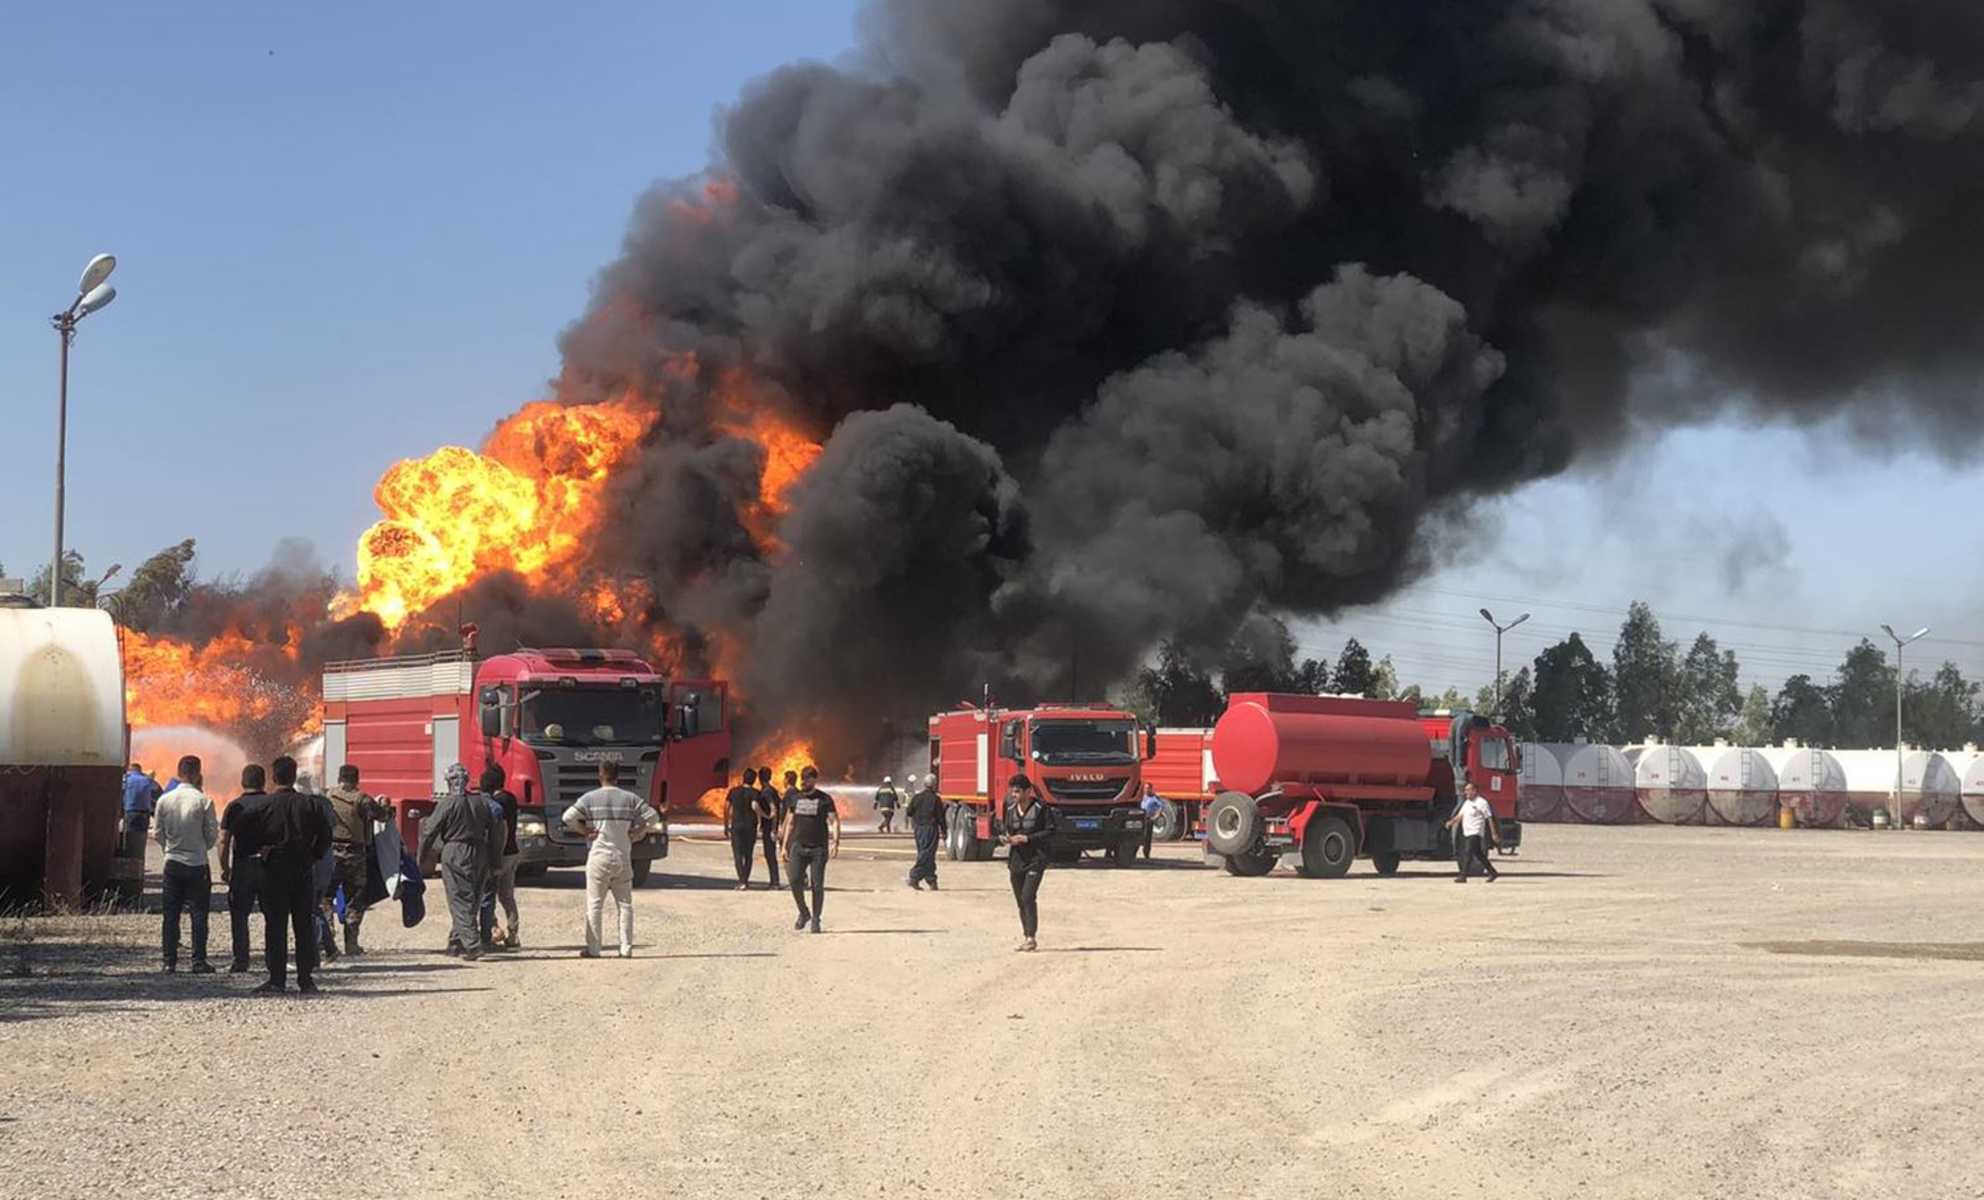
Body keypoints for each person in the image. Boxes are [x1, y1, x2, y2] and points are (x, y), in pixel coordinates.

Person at [233, 755, 333, 994]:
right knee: (303, 925)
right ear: (294, 775)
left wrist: (259, 851)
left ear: (274, 777)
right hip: (302, 870)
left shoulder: (262, 807)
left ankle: (277, 980)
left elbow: (242, 837)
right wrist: (313, 855)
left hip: (273, 872)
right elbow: (326, 837)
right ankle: (305, 980)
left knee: (275, 925)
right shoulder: (310, 805)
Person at [562, 760, 662, 959]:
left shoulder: (589, 798)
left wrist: (584, 830)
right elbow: (654, 817)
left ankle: (594, 948)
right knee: (624, 904)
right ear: (618, 776)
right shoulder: (630, 799)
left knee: (595, 904)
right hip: (622, 857)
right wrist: (639, 832)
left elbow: (568, 817)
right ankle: (625, 948)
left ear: (600, 775)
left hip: (598, 857)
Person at [419, 763, 504, 959]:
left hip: (455, 851)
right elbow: (496, 834)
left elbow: (428, 832)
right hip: (480, 851)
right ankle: (456, 943)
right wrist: (495, 861)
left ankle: (472, 945)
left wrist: (421, 858)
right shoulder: (482, 802)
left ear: (448, 782)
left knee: (458, 900)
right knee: (472, 898)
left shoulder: (447, 804)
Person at [152, 754, 218, 974]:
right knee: (199, 914)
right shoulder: (204, 800)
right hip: (197, 863)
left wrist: (169, 849)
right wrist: (199, 848)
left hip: (172, 863)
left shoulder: (164, 800)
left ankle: (168, 961)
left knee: (171, 914)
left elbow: (158, 833)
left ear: (179, 773)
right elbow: (211, 835)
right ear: (198, 773)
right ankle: (198, 961)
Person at [326, 764, 392, 956]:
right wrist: (387, 808)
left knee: (325, 897)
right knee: (355, 899)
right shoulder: (363, 799)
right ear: (357, 779)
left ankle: (327, 940)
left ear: (339, 777)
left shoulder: (327, 796)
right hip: (355, 855)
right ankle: (351, 944)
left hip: (331, 853)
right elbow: (383, 816)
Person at [218, 764, 269, 973]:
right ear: (264, 781)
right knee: (273, 915)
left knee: (239, 915)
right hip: (269, 866)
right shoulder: (272, 804)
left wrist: (224, 868)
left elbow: (224, 840)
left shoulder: (234, 807)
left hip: (243, 866)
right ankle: (272, 959)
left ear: (243, 781)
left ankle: (241, 960)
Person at [779, 766, 840, 933]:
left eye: (807, 778)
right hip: (798, 846)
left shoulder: (825, 799)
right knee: (794, 880)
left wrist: (835, 842)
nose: (803, 781)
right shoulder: (795, 798)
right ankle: (804, 912)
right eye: (802, 778)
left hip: (818, 848)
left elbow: (834, 821)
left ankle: (816, 919)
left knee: (817, 885)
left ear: (814, 780)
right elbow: (790, 822)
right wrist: (784, 846)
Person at [1003, 775, 1057, 952]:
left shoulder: (1041, 808)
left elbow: (1051, 831)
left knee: (1028, 896)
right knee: (1020, 900)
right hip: (1016, 860)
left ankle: (1031, 937)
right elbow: (1006, 829)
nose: (1014, 794)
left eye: (1018, 791)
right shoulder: (1010, 808)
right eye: (1012, 791)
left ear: (1028, 791)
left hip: (1036, 859)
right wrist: (1005, 838)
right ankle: (1026, 935)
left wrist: (1028, 838)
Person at [478, 765, 522, 950]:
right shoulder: (510, 798)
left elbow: (498, 831)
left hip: (499, 853)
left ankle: (494, 929)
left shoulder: (495, 803)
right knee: (507, 895)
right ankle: (513, 934)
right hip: (513, 852)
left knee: (486, 893)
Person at [1446, 782, 1501, 883]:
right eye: (1465, 790)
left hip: (1476, 831)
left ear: (1474, 791)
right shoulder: (1467, 803)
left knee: (1468, 852)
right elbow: (1460, 816)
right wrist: (1451, 822)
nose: (1466, 792)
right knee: (1479, 854)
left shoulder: (1482, 802)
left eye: (1468, 790)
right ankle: (1493, 872)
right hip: (1467, 832)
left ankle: (1463, 876)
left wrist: (1494, 833)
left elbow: (1489, 818)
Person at [905, 774, 943, 891]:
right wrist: (944, 830)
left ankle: (932, 880)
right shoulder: (935, 799)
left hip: (919, 829)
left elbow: (909, 812)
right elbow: (940, 817)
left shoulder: (917, 797)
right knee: (926, 854)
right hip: (930, 829)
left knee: (926, 854)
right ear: (934, 785)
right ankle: (914, 876)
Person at [726, 768, 761, 890]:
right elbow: (755, 806)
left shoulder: (733, 791)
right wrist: (762, 819)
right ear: (754, 780)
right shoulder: (756, 792)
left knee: (737, 855)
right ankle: (745, 880)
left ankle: (742, 881)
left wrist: (726, 825)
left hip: (736, 826)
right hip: (750, 826)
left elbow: (726, 808)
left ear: (743, 778)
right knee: (748, 855)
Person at [121, 763, 162, 856]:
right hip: (145, 814)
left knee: (129, 838)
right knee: (142, 838)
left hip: (130, 812)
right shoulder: (147, 780)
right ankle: (139, 859)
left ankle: (130, 859)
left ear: (130, 770)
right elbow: (156, 788)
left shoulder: (127, 779)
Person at [755, 765, 782, 890]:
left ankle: (775, 882)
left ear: (759, 778)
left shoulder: (766, 792)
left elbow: (774, 810)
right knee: (769, 855)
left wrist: (773, 829)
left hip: (769, 828)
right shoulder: (771, 790)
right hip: (769, 827)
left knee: (770, 855)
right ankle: (774, 881)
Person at [1139, 783, 1165, 860]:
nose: (1146, 790)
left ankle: (1146, 854)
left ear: (1151, 789)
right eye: (1145, 788)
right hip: (1140, 819)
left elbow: (1161, 807)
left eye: (1148, 788)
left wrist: (1156, 816)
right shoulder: (1142, 797)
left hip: (1148, 819)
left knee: (1147, 838)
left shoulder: (1154, 798)